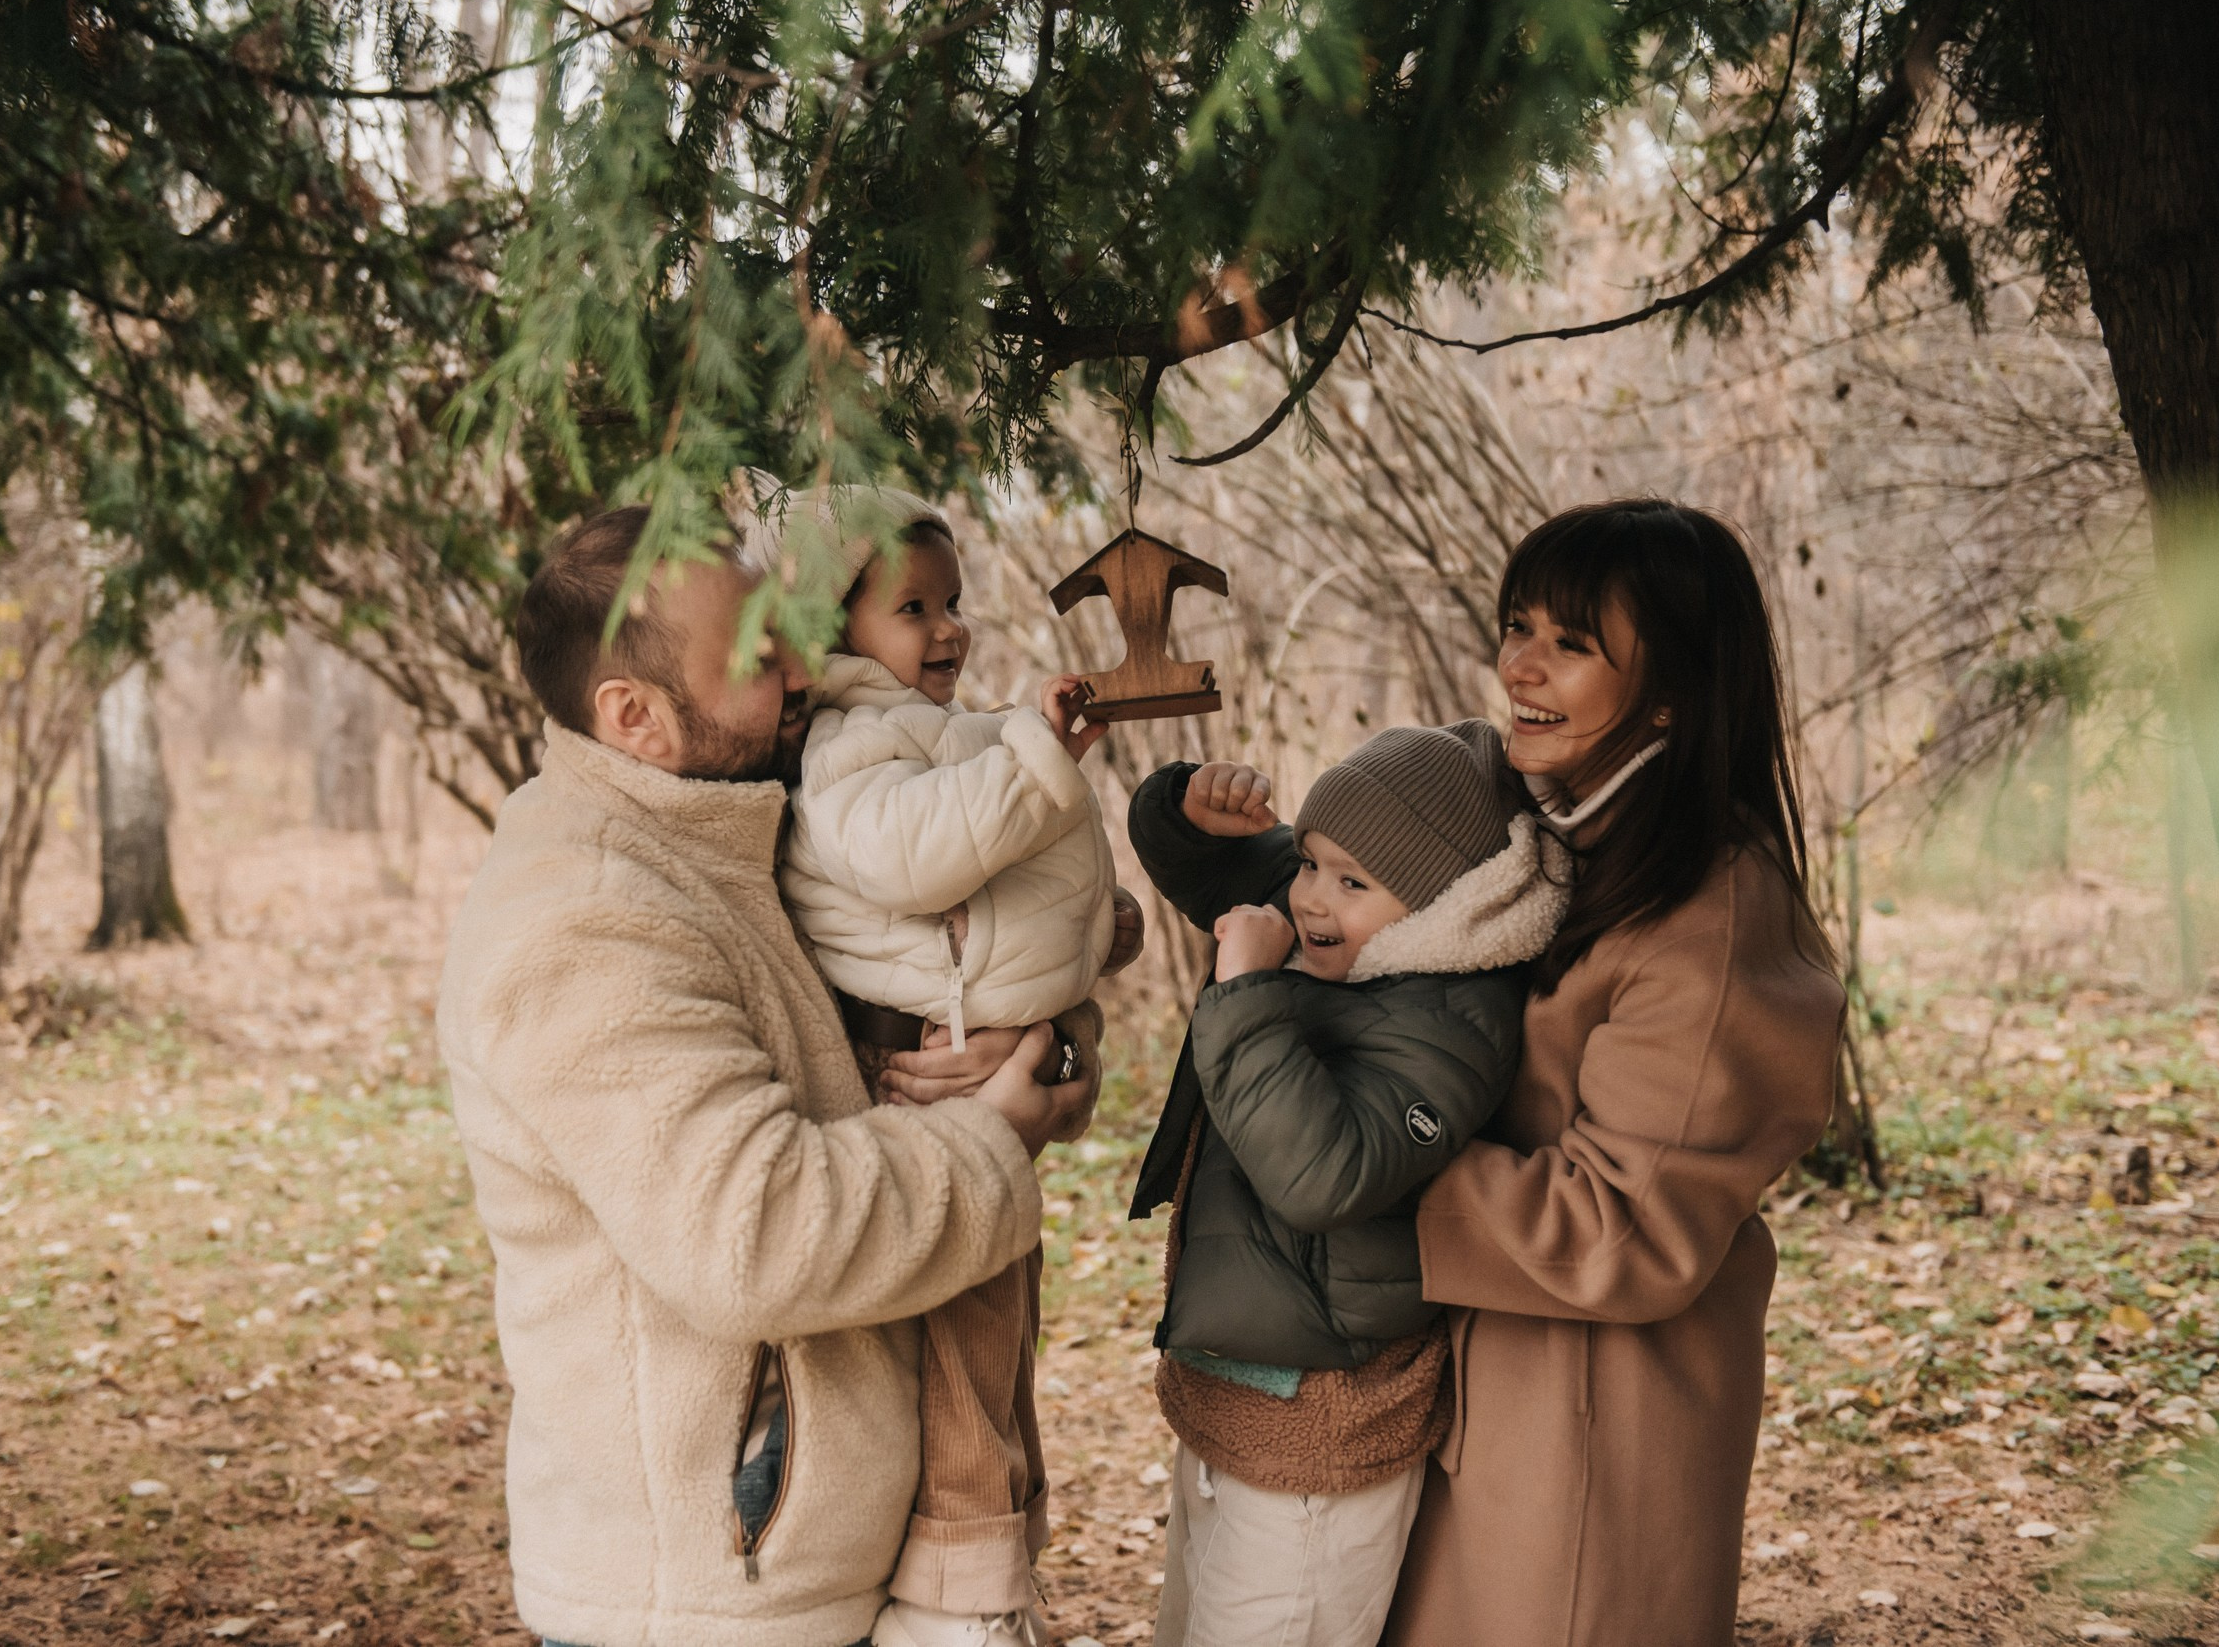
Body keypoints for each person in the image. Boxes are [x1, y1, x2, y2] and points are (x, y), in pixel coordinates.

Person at [1141, 500, 1844, 1647]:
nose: (1520, 662)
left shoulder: (1709, 907)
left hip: (1590, 1403)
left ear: (1671, 688)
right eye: (1518, 624)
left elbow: (1629, 1221)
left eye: (1571, 643)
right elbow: (1333, 889)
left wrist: (1352, 1158)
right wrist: (1191, 823)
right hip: (1457, 1364)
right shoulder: (1534, 812)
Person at [435, 505, 1098, 1647]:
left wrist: (1048, 1048)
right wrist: (992, 1137)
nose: (805, 665)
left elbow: (972, 966)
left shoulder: (745, 823)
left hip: (811, 1578)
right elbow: (759, 1234)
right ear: (633, 716)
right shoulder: (585, 919)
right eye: (755, 655)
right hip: (701, 1607)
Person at [771, 484, 1137, 1647]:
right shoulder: (848, 740)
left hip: (982, 1052)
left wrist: (1093, 941)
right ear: (831, 630)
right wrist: (1036, 756)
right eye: (911, 607)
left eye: (955, 602)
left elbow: (1006, 882)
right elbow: (912, 857)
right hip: (920, 1067)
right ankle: (963, 1590)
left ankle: (990, 1557)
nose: (947, 628)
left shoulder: (932, 728)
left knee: (1000, 1322)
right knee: (966, 1333)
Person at [1122, 721, 1569, 1647]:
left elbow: (1322, 1176)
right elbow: (1208, 865)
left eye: (1348, 880)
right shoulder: (1344, 923)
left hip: (1323, 1435)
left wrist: (1243, 994)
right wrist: (1183, 806)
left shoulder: (1448, 1020)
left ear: (1439, 906)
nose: (1311, 895)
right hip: (1234, 1399)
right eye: (1309, 863)